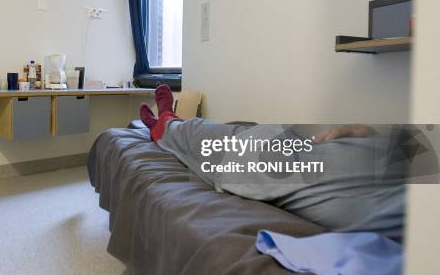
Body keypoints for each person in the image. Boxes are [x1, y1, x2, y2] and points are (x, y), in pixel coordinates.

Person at [138, 85, 417, 239]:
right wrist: (369, 132)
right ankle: (167, 124)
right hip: (356, 156)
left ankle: (166, 124)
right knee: (231, 135)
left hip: (304, 172)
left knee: (217, 139)